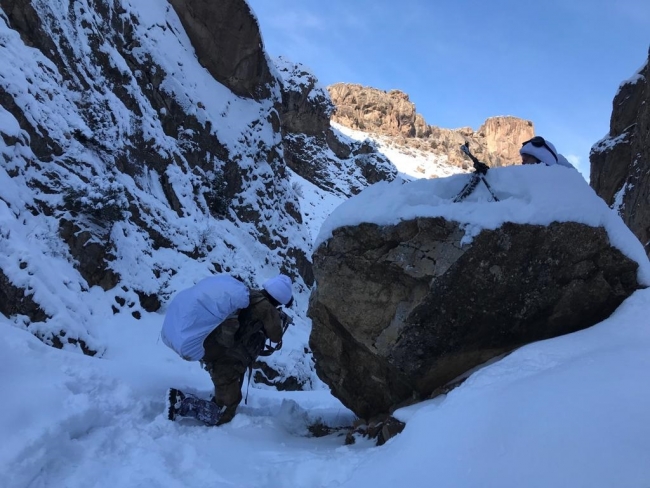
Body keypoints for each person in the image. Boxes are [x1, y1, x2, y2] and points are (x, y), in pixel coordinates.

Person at [165, 273, 293, 426]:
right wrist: (278, 319)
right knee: (226, 409)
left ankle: (214, 399)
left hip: (217, 350)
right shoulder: (267, 309)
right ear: (280, 300)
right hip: (228, 359)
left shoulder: (249, 294)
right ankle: (181, 403)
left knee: (229, 390)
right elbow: (275, 336)